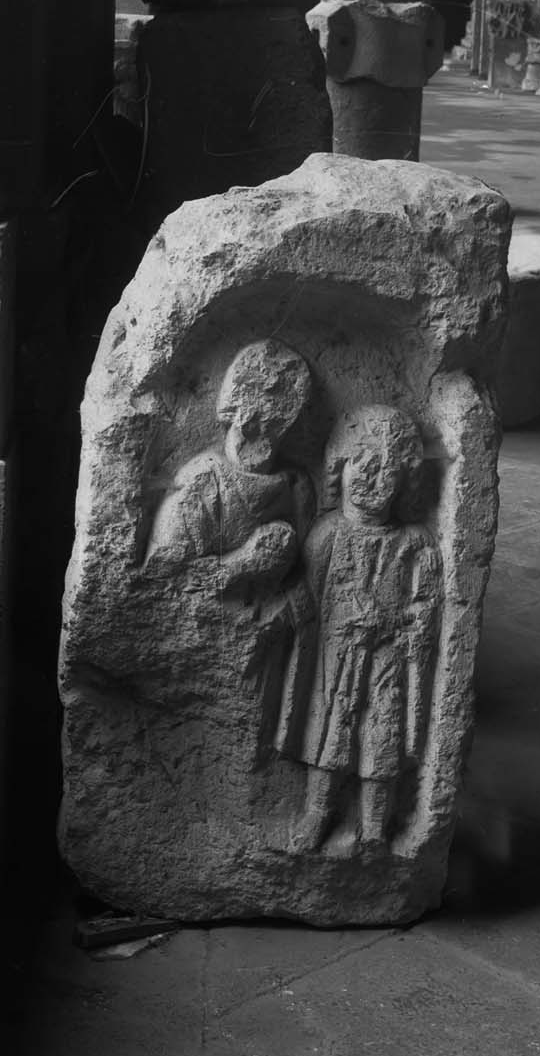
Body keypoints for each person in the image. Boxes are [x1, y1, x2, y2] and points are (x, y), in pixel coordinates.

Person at [277, 405, 442, 853]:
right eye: (363, 465)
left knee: (381, 739)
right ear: (340, 468)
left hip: (387, 661)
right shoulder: (327, 535)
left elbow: (425, 607)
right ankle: (317, 814)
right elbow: (306, 603)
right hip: (336, 661)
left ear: (405, 482)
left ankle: (374, 827)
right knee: (330, 736)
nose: (373, 479)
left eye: (388, 470)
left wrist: (395, 624)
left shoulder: (414, 544)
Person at [144, 339, 316, 755]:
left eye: (282, 412)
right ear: (236, 410)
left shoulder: (295, 485)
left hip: (269, 645)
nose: (265, 423)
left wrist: (289, 591)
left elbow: (307, 575)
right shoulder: (202, 482)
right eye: (257, 409)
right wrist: (243, 563)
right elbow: (165, 581)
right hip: (207, 652)